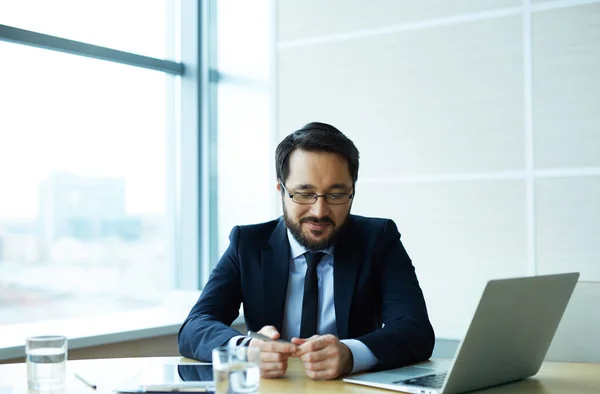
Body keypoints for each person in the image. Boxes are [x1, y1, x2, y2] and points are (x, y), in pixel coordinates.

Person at [178, 122, 434, 380]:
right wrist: (247, 349)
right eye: (304, 194)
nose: (319, 211)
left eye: (336, 195)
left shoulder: (379, 239)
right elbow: (195, 326)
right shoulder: (248, 244)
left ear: (352, 191)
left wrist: (351, 354)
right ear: (281, 190)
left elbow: (415, 330)